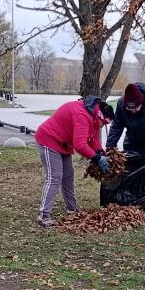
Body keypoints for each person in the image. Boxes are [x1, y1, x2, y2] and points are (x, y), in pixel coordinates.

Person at [33, 96, 114, 228]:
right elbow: (80, 145)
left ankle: (72, 210)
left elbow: (93, 138)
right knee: (55, 177)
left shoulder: (93, 116)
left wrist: (99, 152)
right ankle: (44, 215)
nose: (103, 126)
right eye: (103, 123)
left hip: (64, 145)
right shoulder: (82, 115)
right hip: (49, 140)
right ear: (100, 116)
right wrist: (97, 159)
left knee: (68, 177)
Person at [106, 82, 145, 216]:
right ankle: (134, 197)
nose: (133, 110)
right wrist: (110, 147)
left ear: (142, 103)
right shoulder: (121, 105)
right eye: (130, 108)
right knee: (132, 165)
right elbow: (116, 126)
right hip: (134, 136)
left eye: (136, 107)